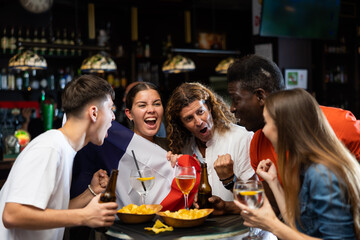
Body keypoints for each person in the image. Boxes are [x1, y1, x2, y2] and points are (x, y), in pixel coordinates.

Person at [212, 54, 360, 216]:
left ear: (260, 96)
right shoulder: (257, 143)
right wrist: (229, 207)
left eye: (236, 99)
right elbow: (274, 206)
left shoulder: (339, 124)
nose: (232, 108)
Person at [0, 74, 118, 240]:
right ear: (94, 113)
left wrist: (90, 193)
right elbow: (12, 214)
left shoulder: (64, 148)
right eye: (111, 109)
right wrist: (85, 216)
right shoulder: (50, 147)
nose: (113, 117)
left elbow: (52, 212)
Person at [235, 88, 360, 239]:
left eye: (267, 123)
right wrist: (273, 181)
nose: (264, 131)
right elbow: (297, 223)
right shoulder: (306, 165)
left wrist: (272, 224)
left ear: (285, 127)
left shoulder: (322, 174)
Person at [166, 82, 255, 202]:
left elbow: (255, 199)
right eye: (189, 118)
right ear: (182, 124)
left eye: (200, 112)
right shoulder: (184, 148)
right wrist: (171, 170)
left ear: (210, 107)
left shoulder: (242, 138)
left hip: (237, 220)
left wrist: (230, 180)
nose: (198, 122)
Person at [124, 82, 169, 150]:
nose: (151, 110)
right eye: (142, 105)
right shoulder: (121, 149)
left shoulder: (170, 147)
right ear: (129, 114)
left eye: (157, 104)